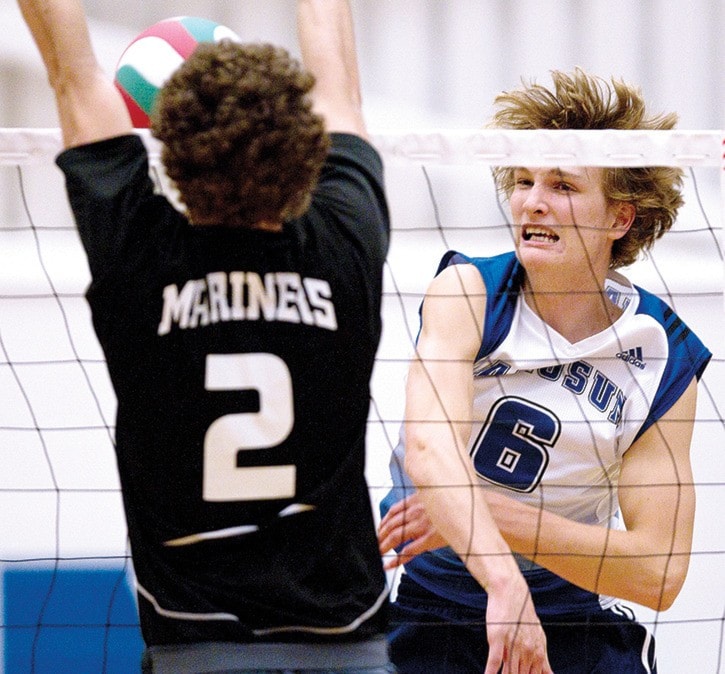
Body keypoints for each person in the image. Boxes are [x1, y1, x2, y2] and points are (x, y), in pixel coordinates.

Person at [18, 0, 395, 672]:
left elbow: (73, 78)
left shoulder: (139, 258)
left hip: (197, 642)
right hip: (346, 638)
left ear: (172, 150)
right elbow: (338, 85)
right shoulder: (346, 244)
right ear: (303, 146)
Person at [377, 68, 712, 674]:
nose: (533, 199)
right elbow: (430, 454)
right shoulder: (470, 293)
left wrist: (483, 511)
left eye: (562, 184)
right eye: (525, 180)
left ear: (619, 218)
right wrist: (505, 583)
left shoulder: (662, 354)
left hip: (572, 618)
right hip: (436, 612)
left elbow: (659, 573)